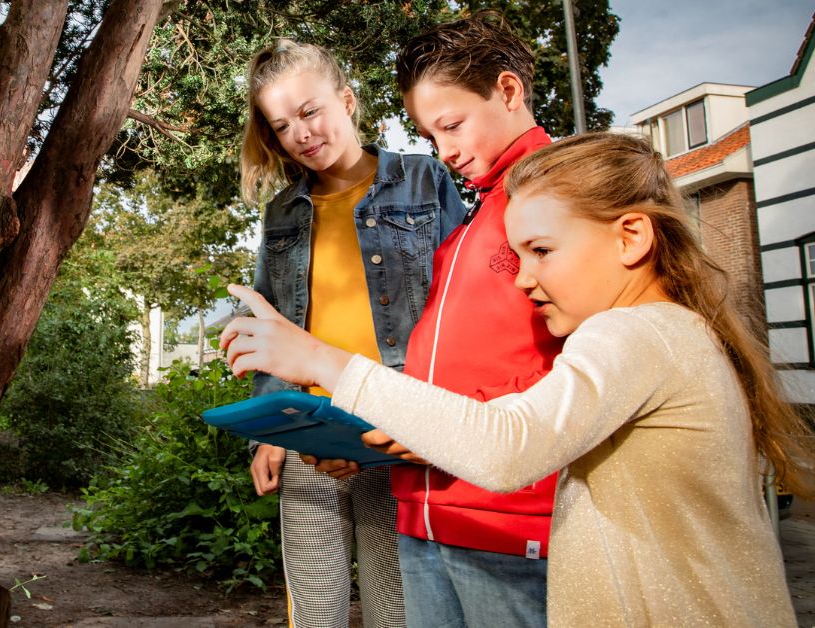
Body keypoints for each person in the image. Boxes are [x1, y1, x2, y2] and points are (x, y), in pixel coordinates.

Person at [221, 131, 813, 626]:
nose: (524, 279)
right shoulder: (675, 332)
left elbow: (506, 445)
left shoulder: (633, 335)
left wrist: (324, 361)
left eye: (541, 250)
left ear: (630, 236)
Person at [295, 13, 564, 628]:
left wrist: (435, 432)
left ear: (509, 91)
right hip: (423, 518)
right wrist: (374, 440)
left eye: (452, 125)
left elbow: (585, 371)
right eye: (429, 134)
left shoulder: (563, 204)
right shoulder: (464, 231)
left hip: (509, 527)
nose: (444, 153)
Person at [238, 38, 465, 627]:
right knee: (316, 613)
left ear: (346, 100)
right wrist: (271, 431)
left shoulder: (425, 182)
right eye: (282, 125)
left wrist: (442, 418)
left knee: (398, 610)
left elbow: (460, 306)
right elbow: (272, 324)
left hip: (398, 426)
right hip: (312, 433)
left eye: (310, 111)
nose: (302, 134)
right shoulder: (282, 212)